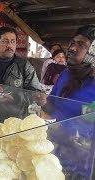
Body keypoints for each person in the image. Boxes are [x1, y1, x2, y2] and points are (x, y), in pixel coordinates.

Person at [36, 25, 95, 179]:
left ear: (92, 53)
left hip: (83, 164)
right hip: (55, 154)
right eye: (72, 43)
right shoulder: (65, 74)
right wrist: (43, 102)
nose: (72, 48)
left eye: (81, 46)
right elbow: (52, 107)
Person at [0, 26, 41, 128]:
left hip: (15, 121)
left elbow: (35, 93)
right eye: (5, 41)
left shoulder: (25, 66)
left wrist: (15, 98)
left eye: (13, 41)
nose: (9, 45)